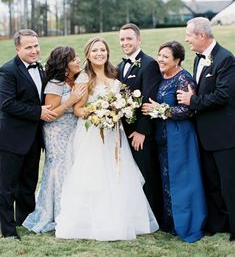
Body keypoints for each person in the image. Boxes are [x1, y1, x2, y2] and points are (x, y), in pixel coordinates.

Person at [55, 37, 159, 240]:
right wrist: (98, 112)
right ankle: (93, 222)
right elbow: (77, 109)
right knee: (94, 175)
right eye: (95, 50)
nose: (99, 53)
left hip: (114, 134)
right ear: (88, 54)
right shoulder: (84, 78)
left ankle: (121, 219)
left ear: (107, 53)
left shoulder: (115, 75)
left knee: (117, 174)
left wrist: (118, 111)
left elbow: (123, 103)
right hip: (92, 134)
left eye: (102, 50)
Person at [177, 17, 235, 242]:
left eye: (189, 35)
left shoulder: (226, 59)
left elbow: (223, 96)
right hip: (204, 134)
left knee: (229, 183)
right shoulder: (197, 59)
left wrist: (192, 100)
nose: (186, 39)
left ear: (201, 35)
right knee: (210, 182)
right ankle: (217, 223)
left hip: (224, 135)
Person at [142, 41, 207, 243]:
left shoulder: (183, 79)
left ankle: (187, 223)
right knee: (166, 179)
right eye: (159, 55)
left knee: (183, 181)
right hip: (162, 137)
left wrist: (160, 110)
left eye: (165, 56)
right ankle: (169, 222)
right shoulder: (161, 77)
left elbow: (188, 110)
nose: (160, 59)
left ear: (177, 59)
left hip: (180, 137)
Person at [0, 29, 57, 240]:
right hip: (11, 139)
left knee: (28, 183)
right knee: (7, 187)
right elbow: (6, 104)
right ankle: (8, 230)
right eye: (28, 47)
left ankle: (25, 220)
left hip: (34, 138)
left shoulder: (40, 68)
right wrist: (38, 112)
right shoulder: (8, 70)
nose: (34, 50)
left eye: (36, 45)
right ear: (18, 49)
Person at [23, 46, 86, 233]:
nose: (78, 61)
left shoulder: (75, 80)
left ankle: (74, 210)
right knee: (59, 168)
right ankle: (58, 213)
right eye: (74, 59)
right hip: (56, 132)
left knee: (71, 166)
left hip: (72, 129)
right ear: (65, 63)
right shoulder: (55, 84)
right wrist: (71, 101)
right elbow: (50, 115)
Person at [118, 23, 162, 222]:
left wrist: (142, 132)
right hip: (122, 131)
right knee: (130, 174)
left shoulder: (149, 64)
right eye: (122, 39)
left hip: (141, 133)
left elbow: (148, 100)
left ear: (138, 40)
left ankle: (153, 216)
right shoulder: (120, 66)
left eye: (129, 39)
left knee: (146, 173)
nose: (125, 43)